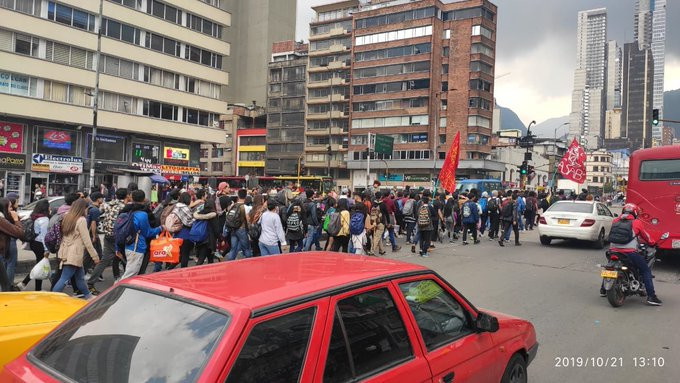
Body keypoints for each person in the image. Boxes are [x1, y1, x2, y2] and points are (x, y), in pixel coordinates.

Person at [604, 203, 662, 305]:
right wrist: (653, 243)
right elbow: (646, 236)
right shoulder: (636, 222)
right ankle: (651, 297)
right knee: (645, 270)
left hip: (612, 251)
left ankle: (603, 290)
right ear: (635, 213)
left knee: (610, 266)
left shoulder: (615, 221)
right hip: (629, 253)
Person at [52, 199, 100, 300]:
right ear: (83, 208)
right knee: (64, 278)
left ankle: (88, 296)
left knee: (80, 277)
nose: (87, 211)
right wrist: (95, 256)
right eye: (87, 208)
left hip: (65, 251)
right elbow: (87, 240)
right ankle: (52, 297)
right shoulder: (81, 220)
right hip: (74, 253)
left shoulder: (66, 217)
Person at [87, 188, 128, 292]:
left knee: (105, 260)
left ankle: (91, 282)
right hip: (118, 237)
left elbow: (100, 213)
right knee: (125, 258)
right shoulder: (125, 207)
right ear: (126, 196)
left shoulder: (108, 204)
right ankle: (126, 281)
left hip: (108, 236)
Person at [119, 190, 163, 279]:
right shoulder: (142, 214)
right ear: (143, 199)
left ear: (131, 198)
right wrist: (160, 228)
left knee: (130, 272)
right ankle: (118, 291)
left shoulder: (124, 211)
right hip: (137, 247)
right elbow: (147, 233)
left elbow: (117, 229)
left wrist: (117, 247)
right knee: (130, 275)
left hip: (126, 245)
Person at [17, 199, 51, 291]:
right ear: (46, 208)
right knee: (39, 266)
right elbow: (43, 236)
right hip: (40, 244)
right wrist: (46, 249)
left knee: (39, 264)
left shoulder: (35, 216)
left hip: (34, 243)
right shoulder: (44, 219)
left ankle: (26, 284)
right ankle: (31, 286)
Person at [0, 198, 24, 291]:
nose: (12, 209)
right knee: (5, 285)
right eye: (10, 207)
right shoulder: (1, 220)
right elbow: (20, 233)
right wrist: (16, 219)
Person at [227, 189, 252, 260]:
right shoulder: (246, 207)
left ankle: (230, 262)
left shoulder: (233, 206)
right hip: (242, 229)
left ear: (238, 195)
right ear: (246, 196)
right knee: (246, 248)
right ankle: (249, 262)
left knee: (233, 248)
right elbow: (248, 220)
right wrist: (250, 230)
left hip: (233, 228)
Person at [171, 192, 195, 268]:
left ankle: (170, 268)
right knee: (185, 255)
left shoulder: (176, 207)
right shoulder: (185, 208)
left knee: (180, 254)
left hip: (177, 233)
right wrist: (195, 219)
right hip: (185, 234)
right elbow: (189, 222)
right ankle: (183, 271)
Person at [193, 199, 221, 265]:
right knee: (203, 260)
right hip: (209, 240)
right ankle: (195, 273)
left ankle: (210, 274)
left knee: (207, 258)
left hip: (200, 238)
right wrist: (220, 239)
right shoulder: (213, 215)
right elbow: (216, 229)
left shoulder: (199, 213)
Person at [416, 192, 436, 258]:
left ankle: (421, 250)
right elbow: (434, 215)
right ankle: (424, 252)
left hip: (420, 225)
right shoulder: (430, 207)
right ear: (428, 201)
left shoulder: (420, 208)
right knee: (427, 240)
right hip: (428, 226)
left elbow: (417, 215)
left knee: (421, 238)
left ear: (422, 201)